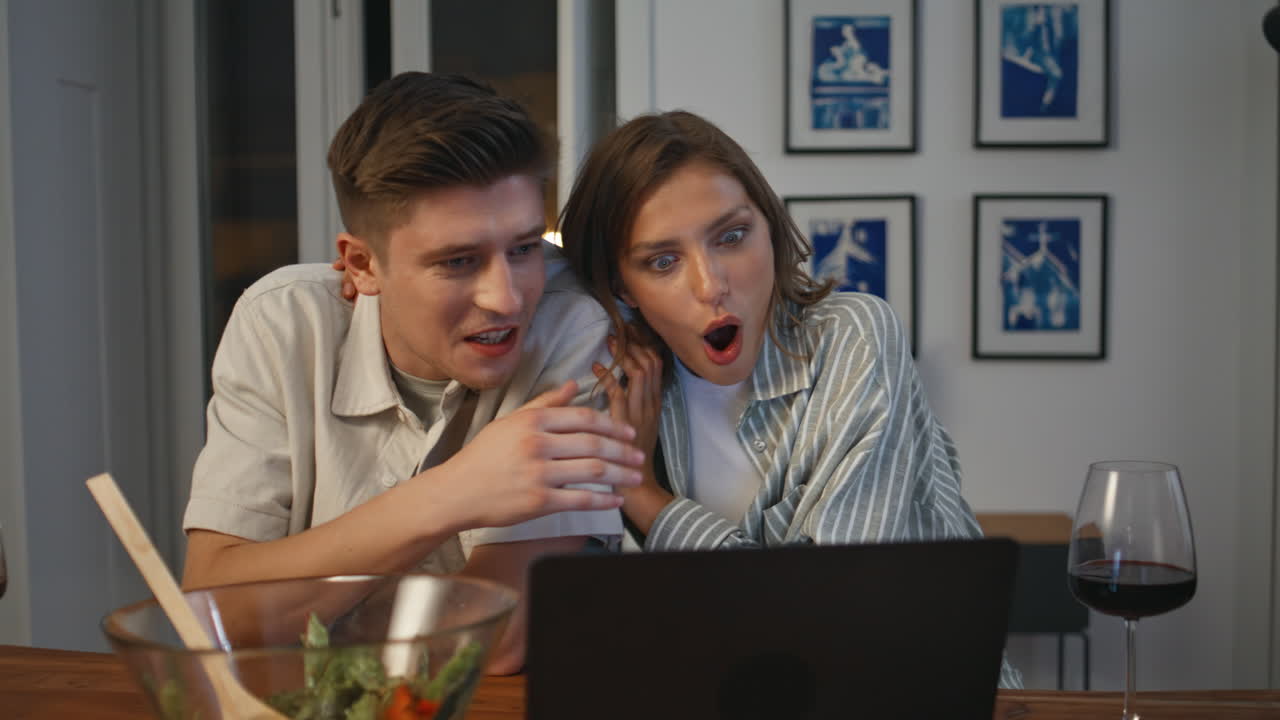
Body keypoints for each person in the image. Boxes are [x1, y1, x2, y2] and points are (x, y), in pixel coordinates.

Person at [181, 72, 644, 674]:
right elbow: (212, 610)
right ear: (362, 264)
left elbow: (498, 641)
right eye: (458, 261)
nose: (507, 299)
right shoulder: (283, 321)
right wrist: (453, 494)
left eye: (525, 248)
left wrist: (294, 607)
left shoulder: (574, 327)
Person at [556, 110, 1022, 688]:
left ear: (769, 229)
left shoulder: (853, 336)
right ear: (623, 286)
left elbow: (834, 613)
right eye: (663, 261)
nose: (711, 284)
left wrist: (645, 499)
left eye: (731, 236)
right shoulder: (620, 387)